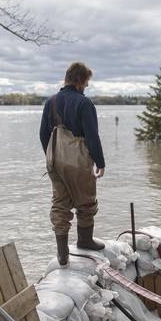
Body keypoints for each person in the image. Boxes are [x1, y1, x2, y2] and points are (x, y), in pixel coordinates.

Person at [40, 62, 106, 267]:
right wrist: (100, 162)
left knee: (60, 204)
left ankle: (62, 253)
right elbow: (92, 136)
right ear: (80, 80)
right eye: (86, 82)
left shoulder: (50, 102)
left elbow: (43, 134)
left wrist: (52, 157)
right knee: (86, 202)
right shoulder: (84, 103)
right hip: (77, 161)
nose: (86, 86)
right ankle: (85, 241)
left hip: (54, 161)